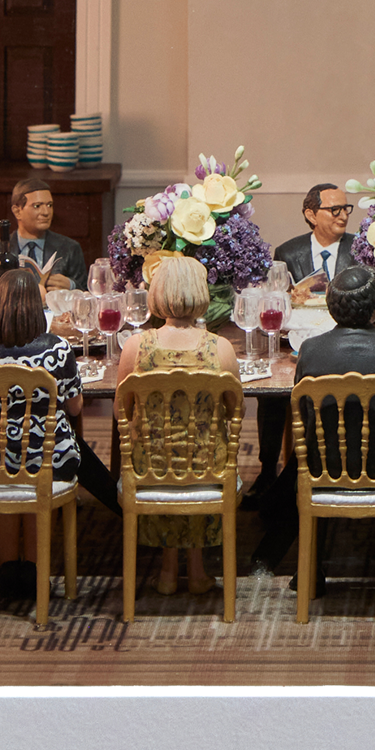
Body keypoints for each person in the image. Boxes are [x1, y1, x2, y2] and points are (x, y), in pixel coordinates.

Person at [250, 265, 375, 592]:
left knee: (317, 444)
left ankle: (306, 569)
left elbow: (305, 414)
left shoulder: (310, 350)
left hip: (322, 466)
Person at [0, 266, 120, 598]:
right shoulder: (57, 351)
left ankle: (7, 570)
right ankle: (34, 569)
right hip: (45, 460)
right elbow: (75, 409)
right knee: (39, 464)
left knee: (2, 463)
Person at [116, 255, 234, 596]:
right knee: (196, 454)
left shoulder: (137, 346)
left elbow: (120, 414)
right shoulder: (220, 348)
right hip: (207, 468)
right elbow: (230, 410)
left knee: (166, 456)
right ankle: (196, 570)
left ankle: (168, 570)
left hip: (150, 468)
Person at [0, 177, 85, 281]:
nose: (46, 212)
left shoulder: (70, 249)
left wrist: (71, 285)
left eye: (49, 205)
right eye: (37, 206)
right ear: (17, 211)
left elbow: (85, 289)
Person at [272, 182, 354, 304]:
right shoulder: (287, 254)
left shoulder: (360, 249)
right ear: (311, 216)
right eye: (335, 210)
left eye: (345, 209)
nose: (344, 216)